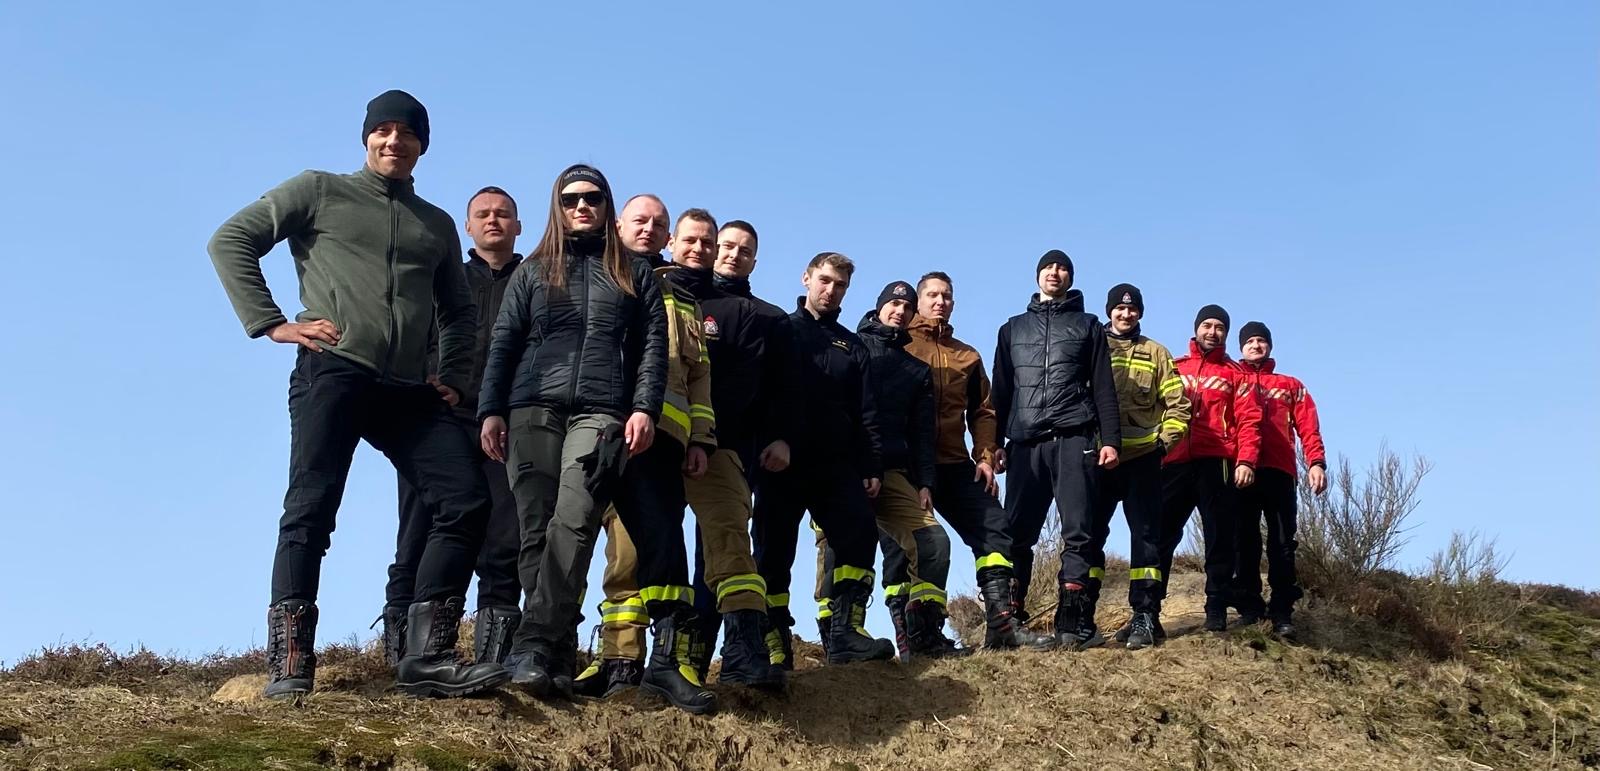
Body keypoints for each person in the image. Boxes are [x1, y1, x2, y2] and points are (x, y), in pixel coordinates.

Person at [207, 89, 508, 699]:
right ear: (367, 137)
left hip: (407, 389)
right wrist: (271, 323)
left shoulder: (436, 224)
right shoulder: (319, 190)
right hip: (334, 370)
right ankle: (291, 663)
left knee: (466, 499)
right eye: (384, 130)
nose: (395, 141)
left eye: (408, 133)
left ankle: (427, 657)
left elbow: (458, 311)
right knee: (311, 509)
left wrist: (452, 375)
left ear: (423, 145)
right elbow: (231, 239)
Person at [476, 164, 669, 702]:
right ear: (557, 207)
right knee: (536, 530)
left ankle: (533, 644)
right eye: (570, 198)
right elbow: (503, 343)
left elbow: (653, 349)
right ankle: (557, 658)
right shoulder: (533, 270)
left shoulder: (635, 272)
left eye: (592, 197)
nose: (582, 206)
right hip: (530, 408)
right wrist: (491, 410)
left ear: (607, 205)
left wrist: (644, 408)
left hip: (602, 413)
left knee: (575, 521)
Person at [381, 186, 525, 668]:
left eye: (502, 214)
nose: (493, 220)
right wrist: (426, 380)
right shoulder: (446, 277)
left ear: (518, 226)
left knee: (503, 539)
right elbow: (410, 329)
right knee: (416, 534)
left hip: (506, 426)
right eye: (483, 214)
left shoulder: (534, 281)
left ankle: (494, 658)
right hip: (435, 420)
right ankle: (404, 654)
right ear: (467, 227)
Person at [752, 252, 896, 666]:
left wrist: (871, 465)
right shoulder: (779, 329)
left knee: (860, 533)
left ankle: (846, 631)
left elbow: (867, 411)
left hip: (836, 463)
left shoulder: (852, 345)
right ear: (806, 279)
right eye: (825, 281)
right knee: (773, 551)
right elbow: (761, 393)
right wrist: (769, 441)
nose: (831, 291)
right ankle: (773, 641)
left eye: (840, 285)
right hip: (781, 463)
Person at [904, 272, 1057, 651]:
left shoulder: (967, 355)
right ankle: (919, 637)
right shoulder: (900, 345)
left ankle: (1002, 625)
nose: (940, 302)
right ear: (918, 301)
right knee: (913, 545)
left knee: (995, 527)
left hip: (954, 463)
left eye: (946, 296)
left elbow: (983, 412)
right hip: (907, 465)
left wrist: (985, 456)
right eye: (932, 295)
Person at [816, 280, 957, 660]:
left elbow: (921, 433)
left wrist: (925, 482)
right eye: (893, 304)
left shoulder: (915, 370)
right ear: (879, 307)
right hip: (842, 468)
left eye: (907, 307)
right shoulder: (846, 346)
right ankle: (839, 636)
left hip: (892, 472)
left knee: (934, 542)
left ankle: (924, 635)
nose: (900, 311)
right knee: (840, 548)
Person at [992, 250, 1121, 651]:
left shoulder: (1088, 325)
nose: (1055, 272)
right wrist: (992, 444)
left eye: (1062, 267)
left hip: (1074, 439)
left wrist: (1111, 441)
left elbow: (1103, 386)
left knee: (1079, 533)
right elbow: (1000, 392)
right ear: (1037, 276)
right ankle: (1011, 619)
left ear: (1070, 278)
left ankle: (1072, 623)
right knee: (1016, 534)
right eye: (1048, 267)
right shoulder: (1012, 329)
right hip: (1024, 443)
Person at [571, 193, 671, 698]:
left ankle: (623, 660)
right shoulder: (584, 274)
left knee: (628, 556)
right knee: (566, 544)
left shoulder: (677, 292)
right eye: (640, 220)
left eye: (659, 223)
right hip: (584, 428)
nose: (649, 229)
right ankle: (555, 652)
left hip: (646, 440)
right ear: (617, 225)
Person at [1087, 284, 1191, 650]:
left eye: (1132, 309)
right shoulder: (1093, 345)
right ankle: (1082, 614)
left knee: (1147, 539)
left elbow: (1179, 406)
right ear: (1109, 311)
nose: (1126, 314)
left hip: (1143, 460)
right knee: (1088, 536)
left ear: (1140, 313)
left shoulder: (1157, 352)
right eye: (1119, 308)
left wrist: (1164, 444)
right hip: (1099, 460)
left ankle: (1145, 616)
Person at [1156, 305, 1263, 632]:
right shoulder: (1174, 367)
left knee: (1219, 537)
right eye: (1207, 325)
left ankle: (1215, 607)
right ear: (1196, 329)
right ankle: (1147, 611)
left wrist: (1246, 460)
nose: (1212, 332)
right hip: (1174, 461)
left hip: (1217, 462)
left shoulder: (1236, 373)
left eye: (1219, 327)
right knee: (1159, 537)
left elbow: (1250, 420)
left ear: (1226, 334)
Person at [1233, 321, 1327, 637]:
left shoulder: (1290, 385)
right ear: (1241, 347)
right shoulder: (1233, 378)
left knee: (1283, 544)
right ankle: (1249, 607)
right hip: (1241, 469)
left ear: (1270, 346)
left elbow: (1309, 427)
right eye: (1250, 341)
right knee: (1243, 540)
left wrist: (1316, 463)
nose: (1256, 345)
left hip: (1280, 471)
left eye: (1261, 340)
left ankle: (1282, 611)